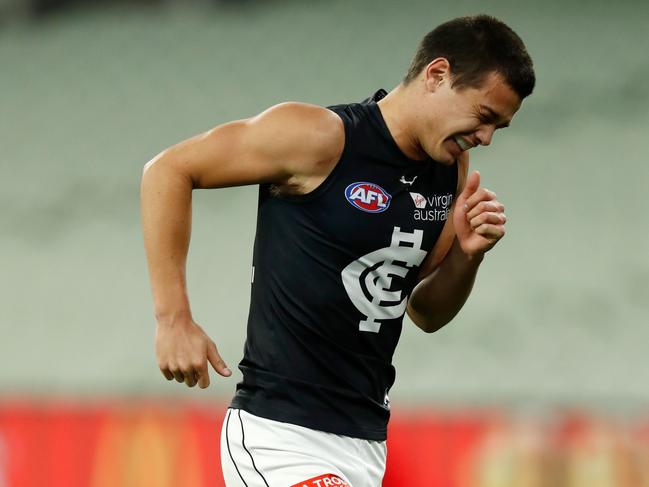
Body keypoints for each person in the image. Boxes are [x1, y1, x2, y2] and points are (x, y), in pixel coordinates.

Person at [141, 14, 535, 487]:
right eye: (484, 116)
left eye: (500, 127)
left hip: (365, 444)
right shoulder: (320, 137)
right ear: (437, 75)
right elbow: (168, 170)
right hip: (279, 435)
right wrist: (173, 319)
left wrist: (467, 257)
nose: (486, 137)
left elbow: (424, 312)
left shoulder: (448, 169)